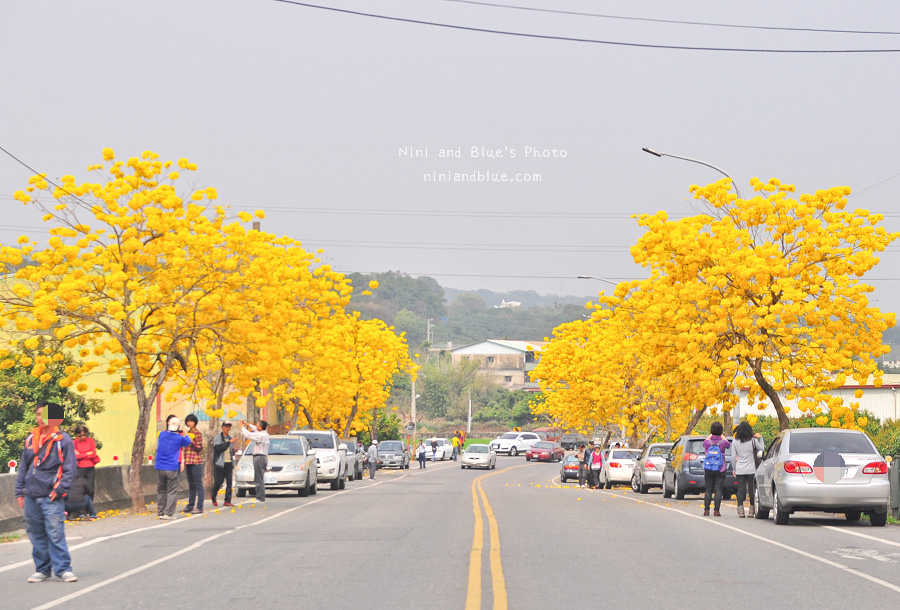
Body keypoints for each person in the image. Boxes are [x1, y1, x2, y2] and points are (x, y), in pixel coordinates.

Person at [15, 402, 78, 583]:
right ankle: (42, 569)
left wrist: (60, 489)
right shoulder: (31, 439)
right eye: (38, 414)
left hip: (51, 495)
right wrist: (19, 492)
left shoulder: (63, 439)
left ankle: (63, 569)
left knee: (55, 533)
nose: (41, 418)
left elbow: (70, 467)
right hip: (31, 494)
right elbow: (24, 467)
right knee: (35, 533)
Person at [156, 417, 192, 519]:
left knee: (161, 490)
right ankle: (168, 513)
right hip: (171, 467)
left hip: (160, 466)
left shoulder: (162, 435)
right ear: (178, 427)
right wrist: (185, 433)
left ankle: (160, 512)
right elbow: (188, 441)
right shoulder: (179, 438)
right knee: (172, 490)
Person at [731, 421, 764, 517]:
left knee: (740, 490)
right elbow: (762, 448)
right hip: (751, 469)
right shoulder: (753, 441)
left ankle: (741, 511)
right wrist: (761, 438)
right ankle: (751, 511)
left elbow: (733, 457)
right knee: (751, 490)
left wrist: (734, 469)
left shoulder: (735, 442)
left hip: (740, 469)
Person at [703, 421, 732, 517]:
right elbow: (728, 444)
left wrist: (710, 435)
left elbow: (704, 443)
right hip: (721, 467)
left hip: (708, 467)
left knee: (708, 489)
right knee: (718, 490)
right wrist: (722, 436)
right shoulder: (723, 442)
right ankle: (716, 511)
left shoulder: (708, 442)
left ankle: (706, 510)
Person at [240, 420, 270, 502]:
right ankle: (260, 496)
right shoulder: (264, 434)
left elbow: (248, 435)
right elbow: (255, 429)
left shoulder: (261, 435)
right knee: (259, 477)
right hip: (262, 457)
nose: (256, 426)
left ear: (260, 427)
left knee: (259, 478)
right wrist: (247, 424)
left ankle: (260, 497)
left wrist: (242, 427)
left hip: (259, 457)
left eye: (257, 425)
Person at [72, 424, 99, 509]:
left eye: (84, 435)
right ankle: (81, 509)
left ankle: (89, 508)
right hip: (80, 468)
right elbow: (75, 456)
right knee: (81, 489)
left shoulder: (90, 441)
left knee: (90, 489)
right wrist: (87, 453)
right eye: (80, 435)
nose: (83, 437)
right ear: (76, 435)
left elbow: (94, 454)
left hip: (90, 467)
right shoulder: (74, 443)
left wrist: (81, 454)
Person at [182, 414, 205, 514]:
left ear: (195, 422)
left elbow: (199, 447)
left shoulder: (197, 433)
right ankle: (190, 505)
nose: (190, 423)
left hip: (196, 461)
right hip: (188, 461)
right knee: (191, 485)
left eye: (192, 421)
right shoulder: (186, 433)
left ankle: (200, 506)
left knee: (198, 484)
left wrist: (188, 437)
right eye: (188, 421)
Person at [211, 421, 238, 507]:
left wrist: (233, 450)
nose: (227, 428)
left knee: (229, 482)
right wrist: (229, 442)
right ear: (222, 427)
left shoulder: (229, 438)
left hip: (228, 462)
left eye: (229, 427)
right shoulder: (218, 437)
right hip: (220, 463)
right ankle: (213, 496)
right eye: (226, 426)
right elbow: (219, 448)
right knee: (218, 482)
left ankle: (227, 500)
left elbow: (230, 451)